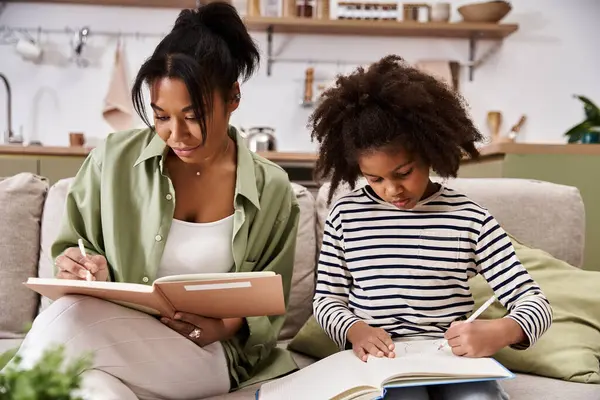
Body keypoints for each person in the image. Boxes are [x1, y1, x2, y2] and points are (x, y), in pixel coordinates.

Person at [3, 3, 300, 399]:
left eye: (194, 115)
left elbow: (267, 304)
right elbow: (73, 248)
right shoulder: (112, 159)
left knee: (67, 323)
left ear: (233, 98)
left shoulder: (272, 188)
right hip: (112, 341)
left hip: (203, 354)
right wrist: (77, 265)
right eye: (161, 117)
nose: (176, 134)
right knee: (92, 387)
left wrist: (219, 326)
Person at [310, 55, 552, 400]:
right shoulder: (345, 217)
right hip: (382, 361)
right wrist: (355, 329)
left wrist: (503, 330)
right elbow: (327, 300)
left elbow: (535, 303)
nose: (392, 191)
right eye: (374, 179)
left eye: (403, 173)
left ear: (429, 152)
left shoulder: (470, 218)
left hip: (452, 360)